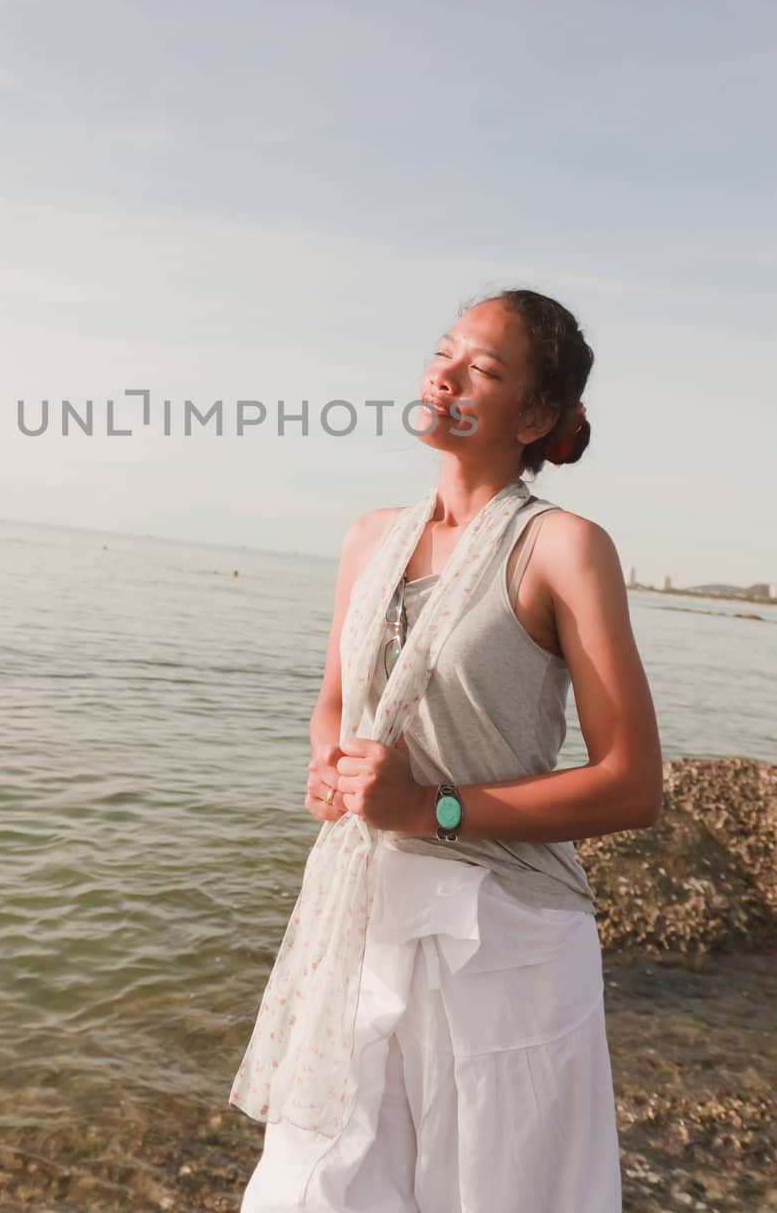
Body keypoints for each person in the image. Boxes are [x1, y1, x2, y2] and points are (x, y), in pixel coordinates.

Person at [235, 286, 663, 1212]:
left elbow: (633, 785)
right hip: (361, 920)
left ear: (537, 416)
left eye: (483, 367)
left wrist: (431, 807)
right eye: (442, 350)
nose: (444, 371)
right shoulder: (367, 539)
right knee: (312, 1191)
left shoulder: (562, 549)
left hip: (501, 939)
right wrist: (329, 769)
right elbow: (336, 706)